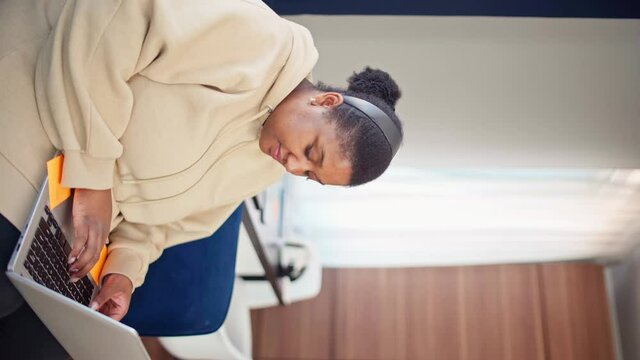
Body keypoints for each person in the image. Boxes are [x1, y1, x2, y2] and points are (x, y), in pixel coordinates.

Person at [0, 0, 403, 357]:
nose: (294, 167)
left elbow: (166, 224)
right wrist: (93, 175)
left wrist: (124, 270)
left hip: (59, 216)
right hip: (27, 122)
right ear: (325, 101)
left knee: (45, 344)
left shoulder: (265, 165)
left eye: (311, 175)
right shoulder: (259, 39)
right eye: (311, 152)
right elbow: (110, 14)